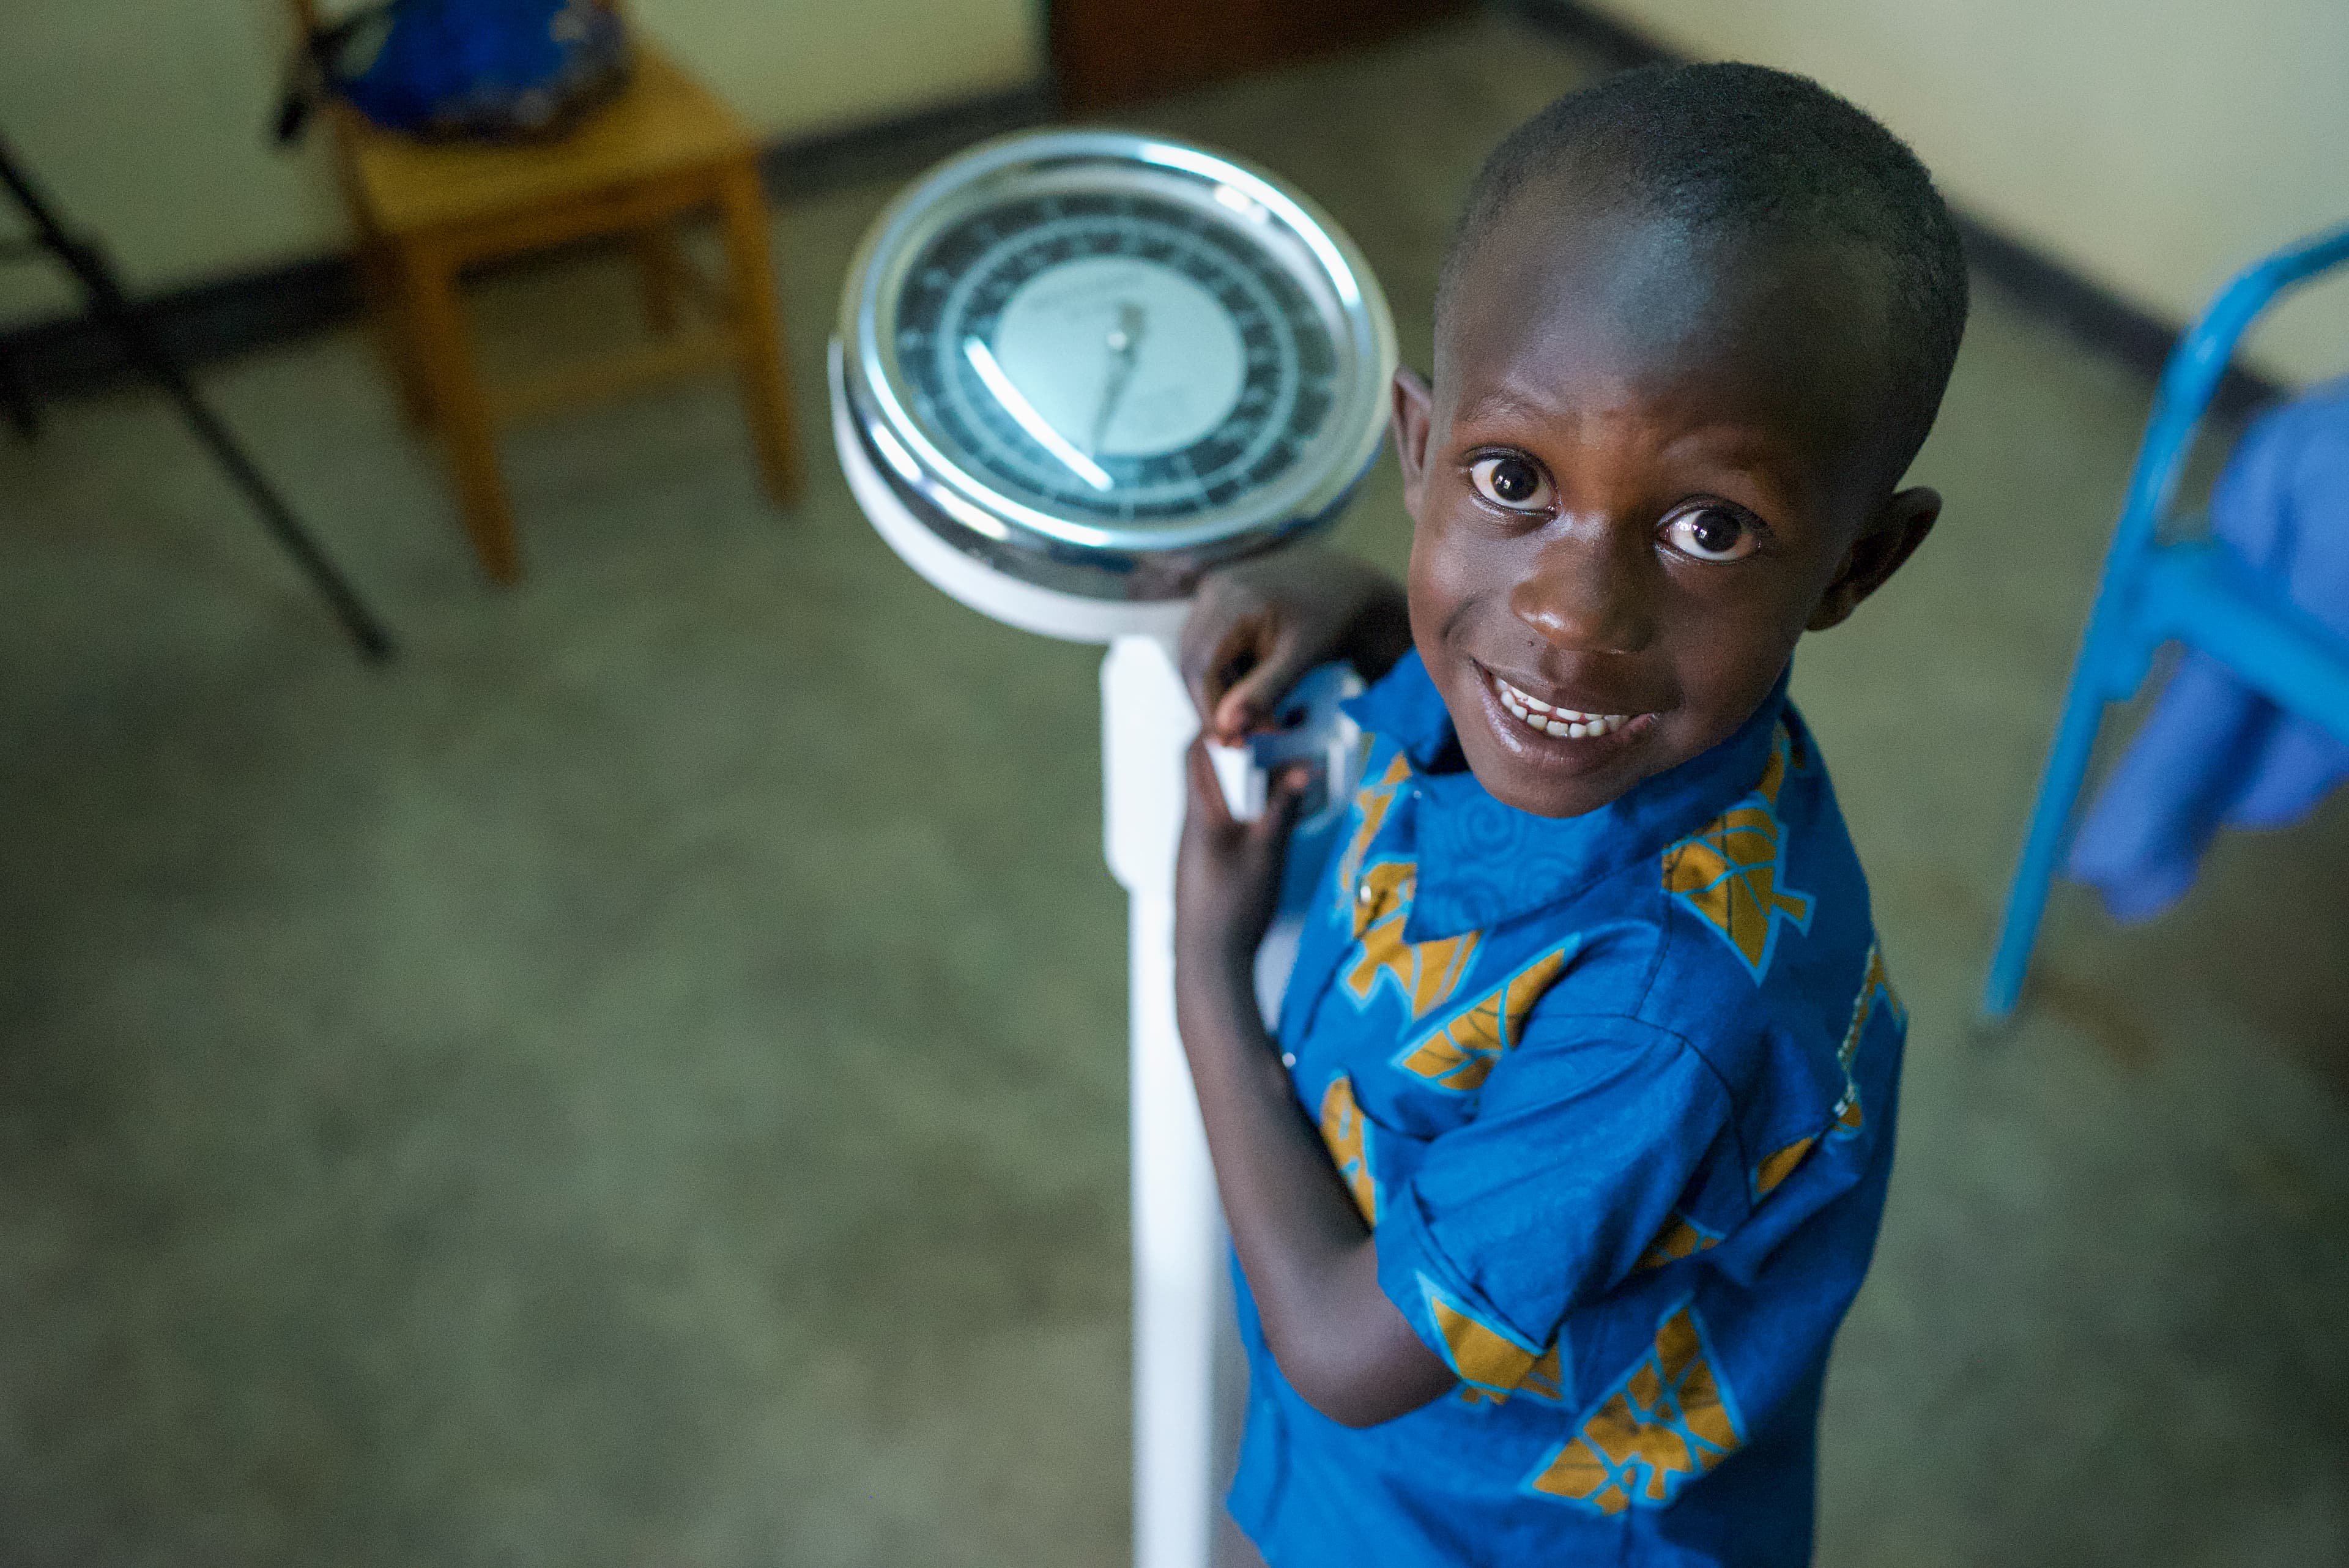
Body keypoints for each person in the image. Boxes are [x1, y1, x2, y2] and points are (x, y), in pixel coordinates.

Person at [1171, 60, 1968, 1566]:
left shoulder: (1675, 1017)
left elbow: (1348, 1354)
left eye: (1708, 526)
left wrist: (1203, 975)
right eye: (1513, 478)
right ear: (1417, 451)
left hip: (1492, 1535)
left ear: (1858, 569)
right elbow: (1489, 659)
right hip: (1407, 1479)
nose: (1568, 614)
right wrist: (1361, 611)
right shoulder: (1562, 713)